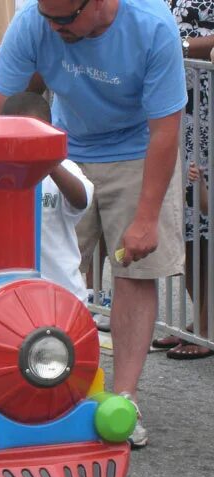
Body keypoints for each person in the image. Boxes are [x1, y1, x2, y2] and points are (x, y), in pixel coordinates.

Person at [0, 0, 188, 448]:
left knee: (134, 272)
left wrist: (146, 218)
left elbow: (166, 130)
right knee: (43, 267)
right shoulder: (36, 19)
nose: (54, 28)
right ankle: (40, 387)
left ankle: (125, 398)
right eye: (48, 17)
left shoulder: (152, 27)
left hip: (138, 151)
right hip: (64, 147)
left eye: (65, 20)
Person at [151, 0, 213, 359]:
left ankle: (207, 325)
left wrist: (181, 47)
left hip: (205, 110)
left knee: (204, 223)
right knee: (186, 221)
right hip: (180, 109)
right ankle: (202, 317)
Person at [1, 92, 94, 301]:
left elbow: (81, 200)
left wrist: (48, 161)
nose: (24, 140)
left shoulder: (64, 168)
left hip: (62, 293)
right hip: (14, 296)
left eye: (32, 132)